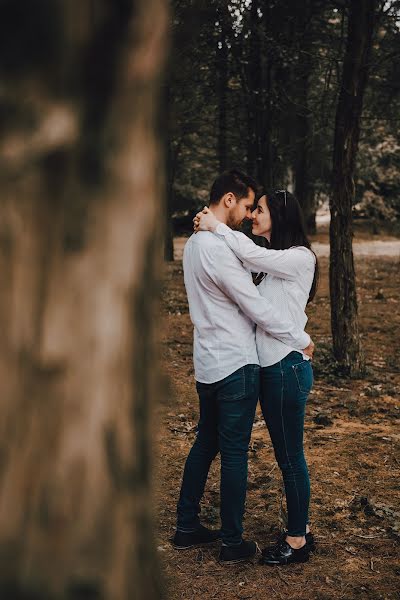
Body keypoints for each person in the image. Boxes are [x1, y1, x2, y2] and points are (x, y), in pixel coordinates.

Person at [172, 171, 314, 565]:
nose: (252, 215)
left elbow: (253, 265)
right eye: (250, 206)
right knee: (231, 451)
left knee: (231, 447)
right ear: (231, 199)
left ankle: (295, 534)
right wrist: (299, 335)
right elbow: (253, 302)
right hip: (235, 362)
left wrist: (215, 226)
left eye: (260, 209)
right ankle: (230, 541)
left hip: (246, 363)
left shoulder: (290, 257)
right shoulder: (228, 250)